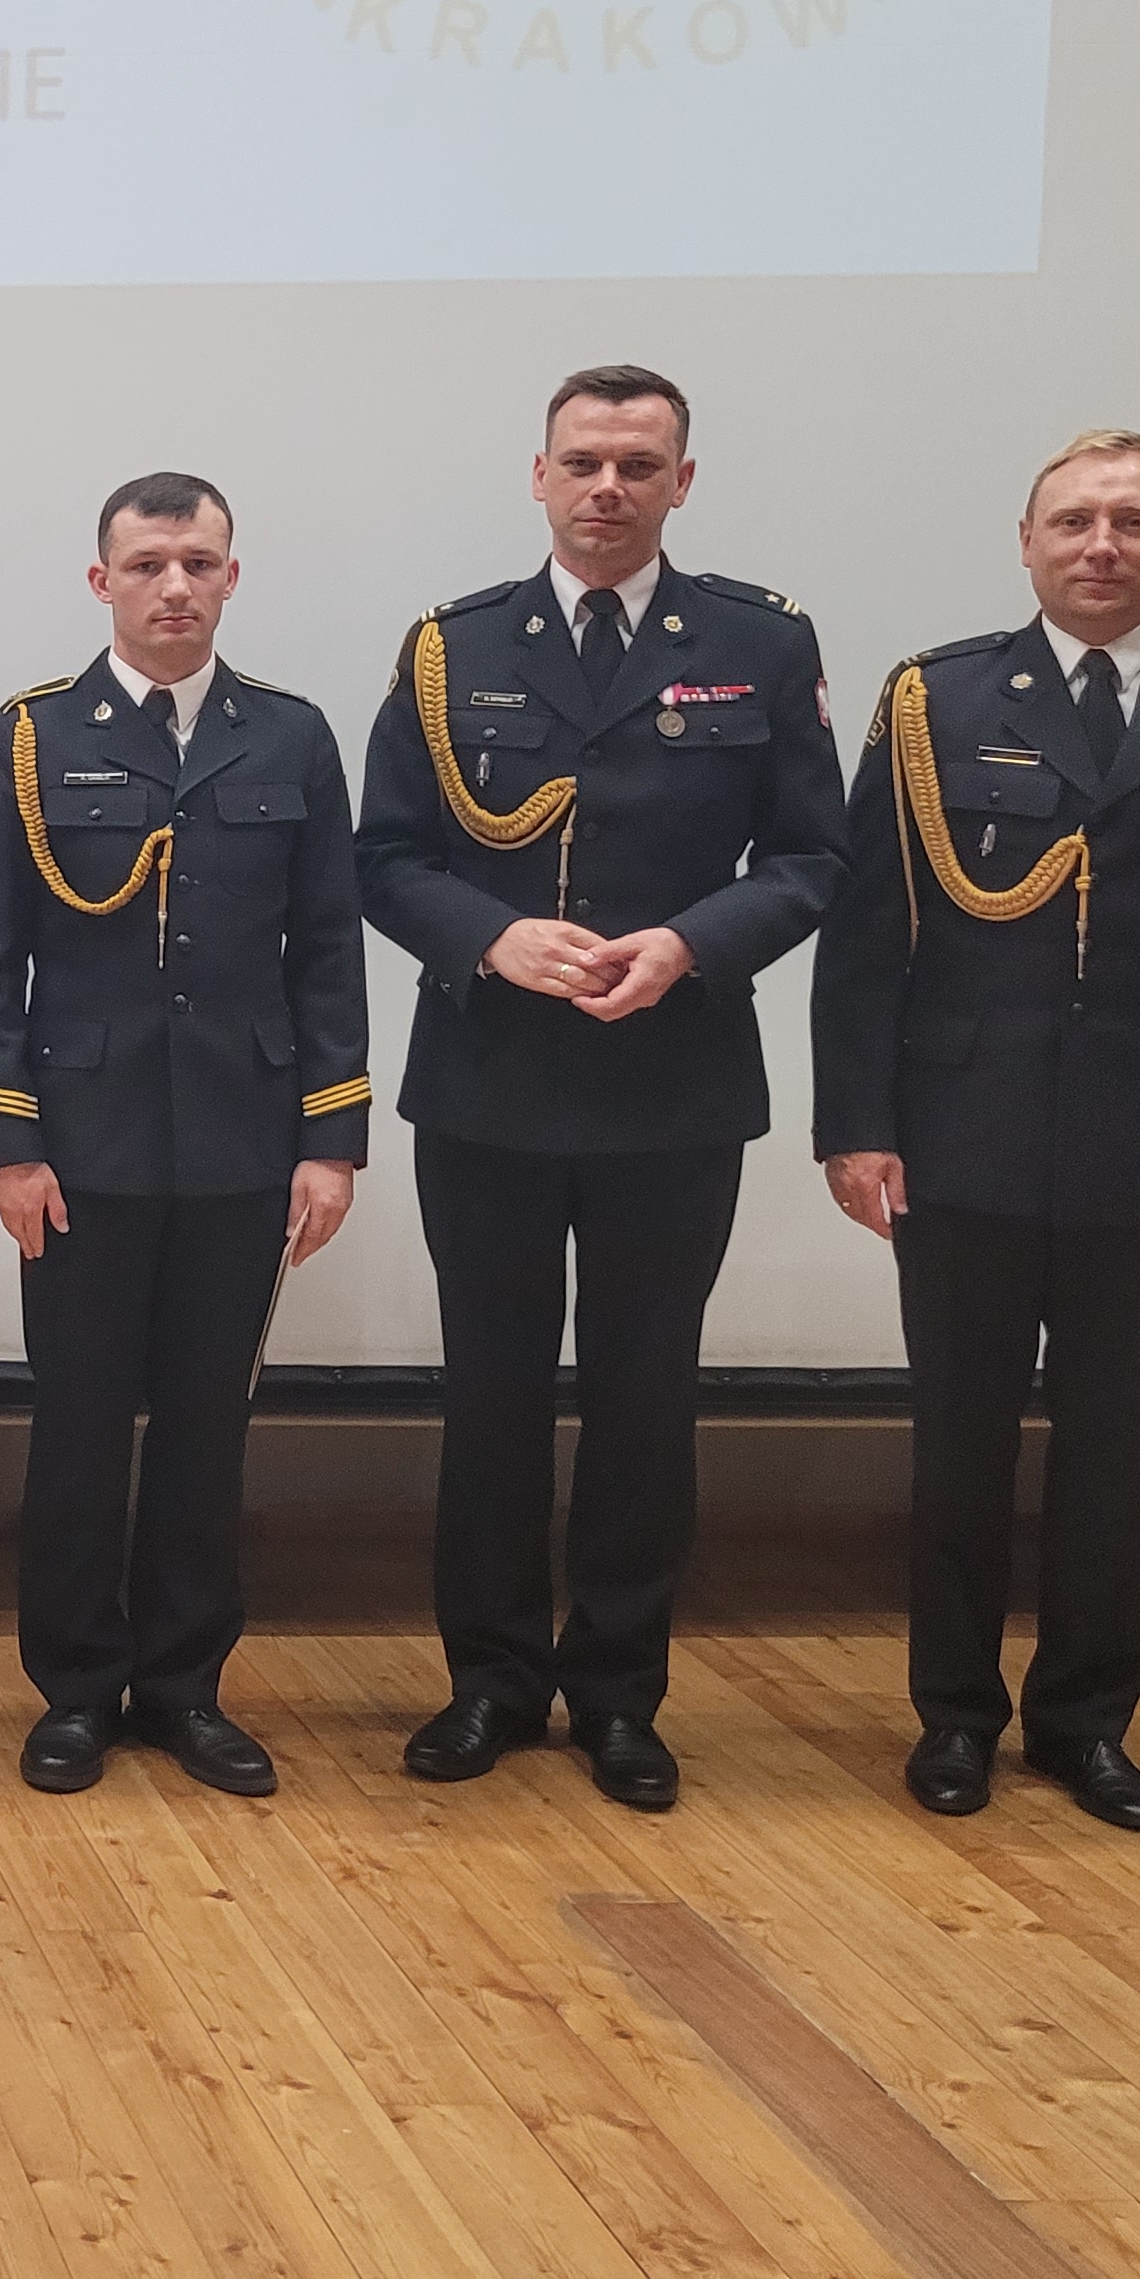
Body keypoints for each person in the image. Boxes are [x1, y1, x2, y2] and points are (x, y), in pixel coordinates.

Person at [356, 365, 845, 1811]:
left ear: (682, 482)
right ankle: (491, 1681)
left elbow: (812, 859)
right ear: (540, 476)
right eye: (583, 462)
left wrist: (692, 944)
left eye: (639, 464)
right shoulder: (451, 648)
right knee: (490, 1398)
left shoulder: (758, 642)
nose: (608, 487)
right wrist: (489, 936)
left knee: (647, 1400)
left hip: (672, 1086)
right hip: (489, 1084)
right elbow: (385, 857)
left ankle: (622, 1695)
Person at [815, 429, 1140, 1833]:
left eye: (1134, 521)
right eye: (1074, 520)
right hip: (962, 1132)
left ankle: (1085, 1721)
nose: (1102, 545)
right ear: (1027, 539)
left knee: (1118, 1443)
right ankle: (954, 1715)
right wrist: (855, 1123)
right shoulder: (936, 700)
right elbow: (867, 934)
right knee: (961, 1442)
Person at [0, 474, 365, 1799]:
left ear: (232, 576)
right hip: (81, 1147)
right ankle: (76, 1688)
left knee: (205, 1428)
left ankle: (186, 1686)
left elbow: (328, 949)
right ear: (102, 582)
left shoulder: (289, 737)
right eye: (147, 564)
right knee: (77, 1426)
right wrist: (7, 1144)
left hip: (244, 1139)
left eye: (198, 561)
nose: (174, 585)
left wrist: (332, 1138)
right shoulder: (28, 738)